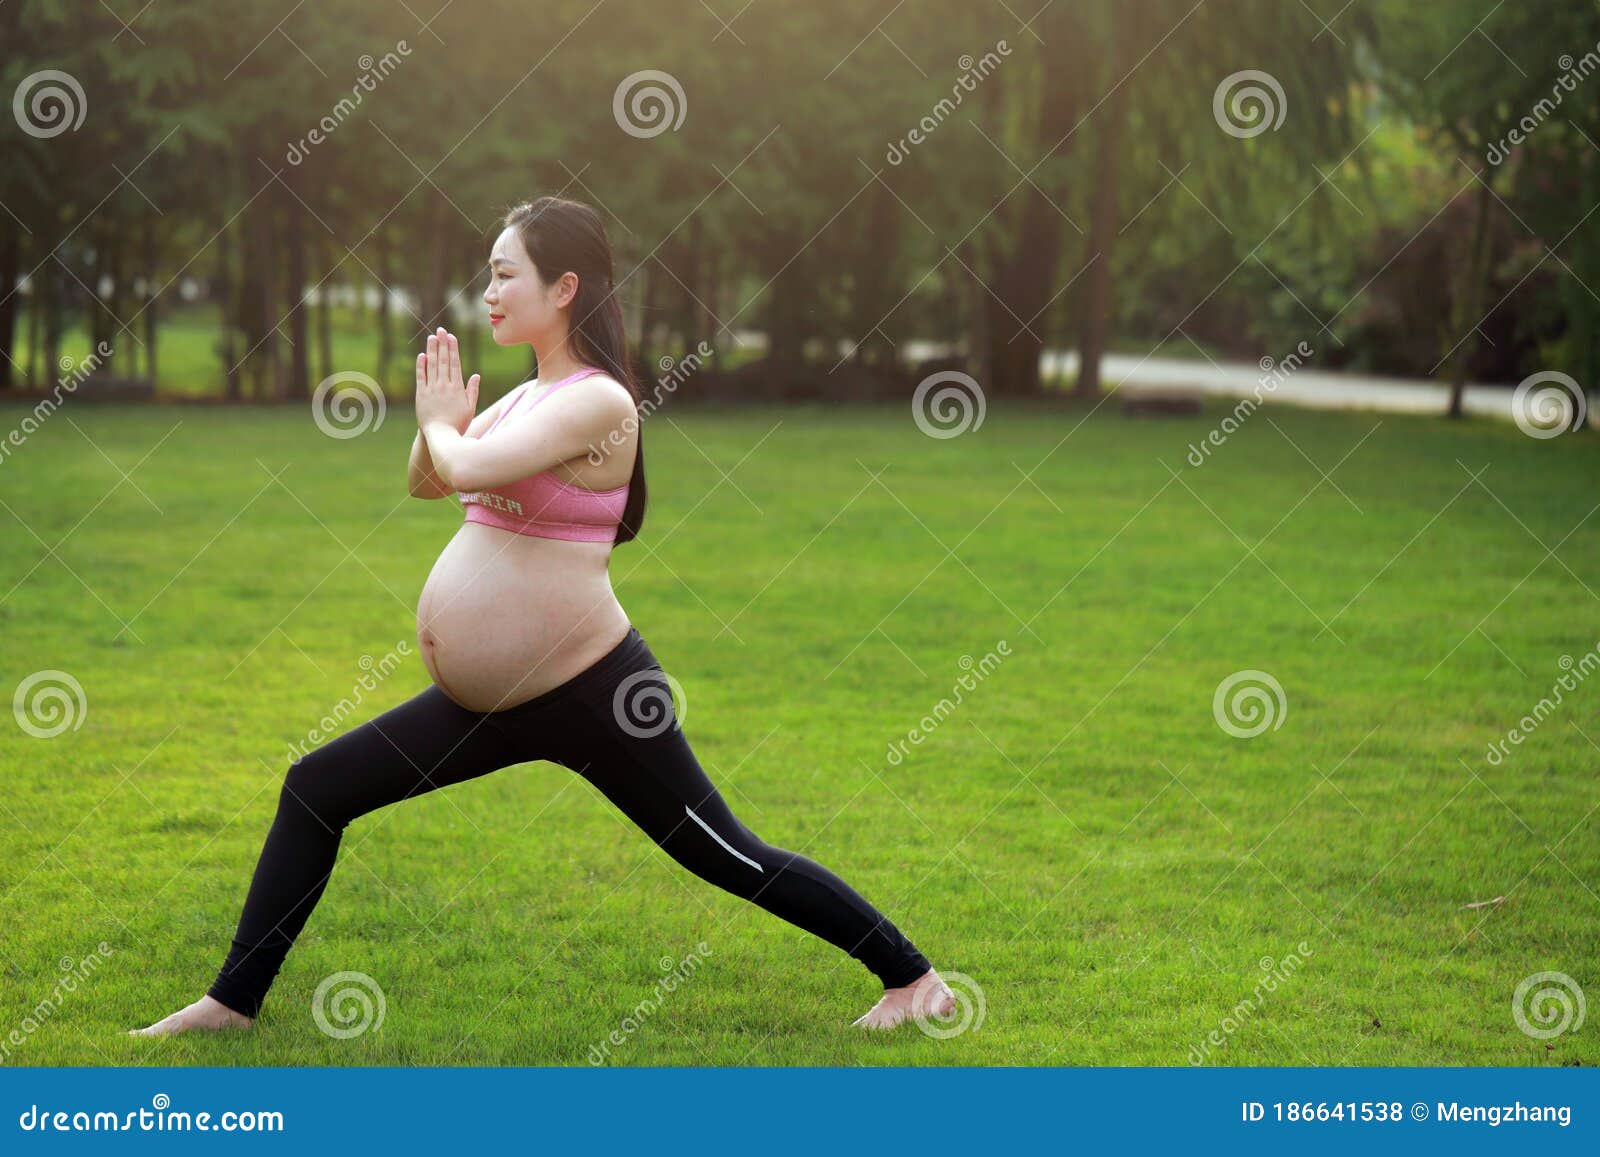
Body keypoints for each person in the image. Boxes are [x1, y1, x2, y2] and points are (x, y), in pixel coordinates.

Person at [130, 196, 956, 1040]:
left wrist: (444, 431)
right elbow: (427, 479)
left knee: (726, 853)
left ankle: (914, 977)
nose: (486, 291)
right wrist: (438, 427)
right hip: (491, 701)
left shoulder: (599, 403)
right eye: (488, 274)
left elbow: (464, 463)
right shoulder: (527, 396)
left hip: (594, 692)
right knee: (317, 788)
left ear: (563, 288)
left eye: (503, 273)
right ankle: (231, 1003)